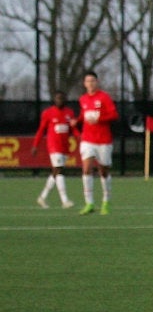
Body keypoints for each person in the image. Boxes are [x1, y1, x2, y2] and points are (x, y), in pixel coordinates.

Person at [77, 71, 119, 215]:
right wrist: (76, 121)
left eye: (93, 80)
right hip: (87, 139)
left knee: (104, 171)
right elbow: (83, 116)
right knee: (86, 168)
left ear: (97, 82)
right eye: (87, 81)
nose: (90, 83)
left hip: (103, 140)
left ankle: (106, 201)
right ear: (84, 83)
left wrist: (99, 118)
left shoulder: (104, 97)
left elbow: (114, 114)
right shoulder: (82, 99)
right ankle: (89, 203)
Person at [31, 90, 78, 209]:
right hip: (54, 146)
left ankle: (42, 197)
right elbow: (41, 130)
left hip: (65, 147)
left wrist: (82, 138)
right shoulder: (48, 113)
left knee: (55, 173)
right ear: (54, 99)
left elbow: (73, 129)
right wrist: (35, 145)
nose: (60, 100)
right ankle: (65, 201)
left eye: (62, 98)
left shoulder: (69, 113)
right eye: (57, 98)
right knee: (59, 170)